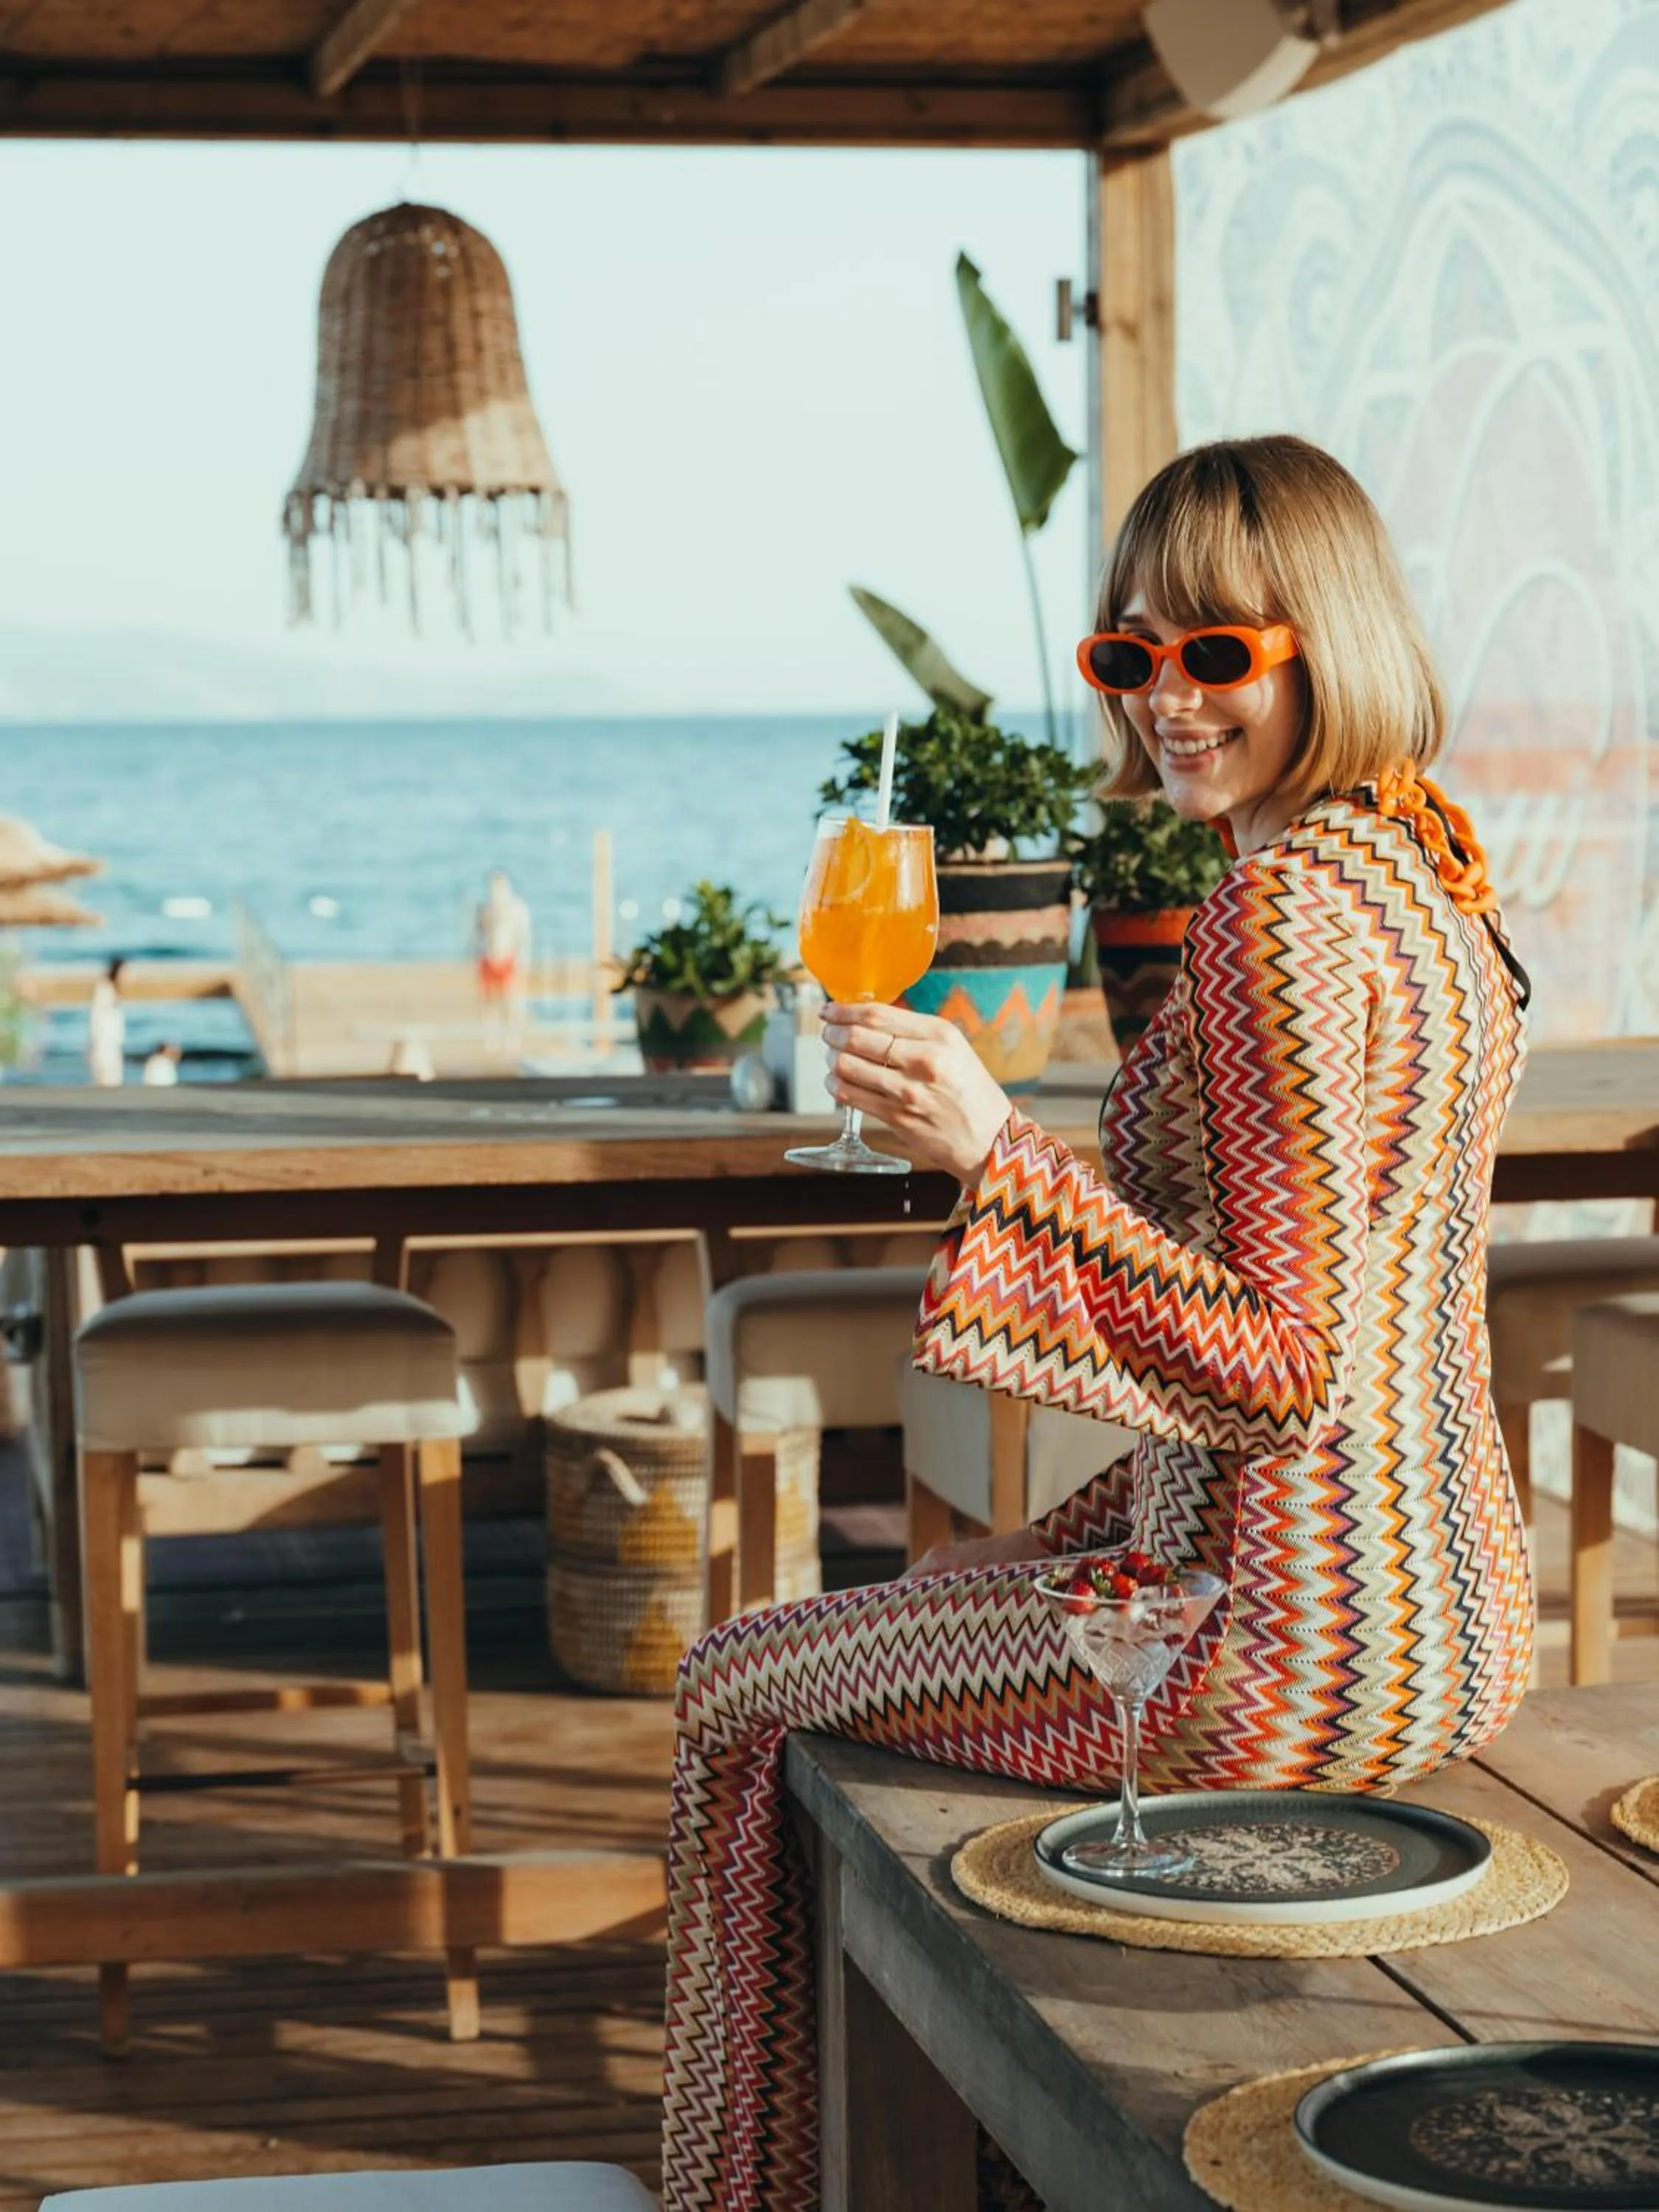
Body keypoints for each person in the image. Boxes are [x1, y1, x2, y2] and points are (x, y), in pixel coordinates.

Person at [660, 437, 1534, 2210]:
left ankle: (754, 2184)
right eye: (1125, 655)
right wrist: (1044, 1529)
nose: (1167, 697)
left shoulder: (1274, 918)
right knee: (903, 1595)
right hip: (1443, 1616)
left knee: (730, 1681)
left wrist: (995, 1145)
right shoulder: (1426, 880)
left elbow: (1276, 1359)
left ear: (1323, 642)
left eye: (1216, 652)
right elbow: (1358, 1329)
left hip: (1259, 1655)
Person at [474, 869, 532, 1062]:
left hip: (509, 958)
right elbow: (478, 934)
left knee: (512, 1001)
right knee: (488, 1002)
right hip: (489, 957)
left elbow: (523, 936)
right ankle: (491, 1038)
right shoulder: (484, 908)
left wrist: (522, 961)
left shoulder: (517, 908)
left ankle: (513, 1038)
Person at [86, 958, 126, 1088]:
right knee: (105, 1075)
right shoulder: (104, 989)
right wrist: (95, 1038)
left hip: (112, 1039)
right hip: (104, 1038)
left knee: (112, 1076)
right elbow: (97, 1015)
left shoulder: (111, 988)